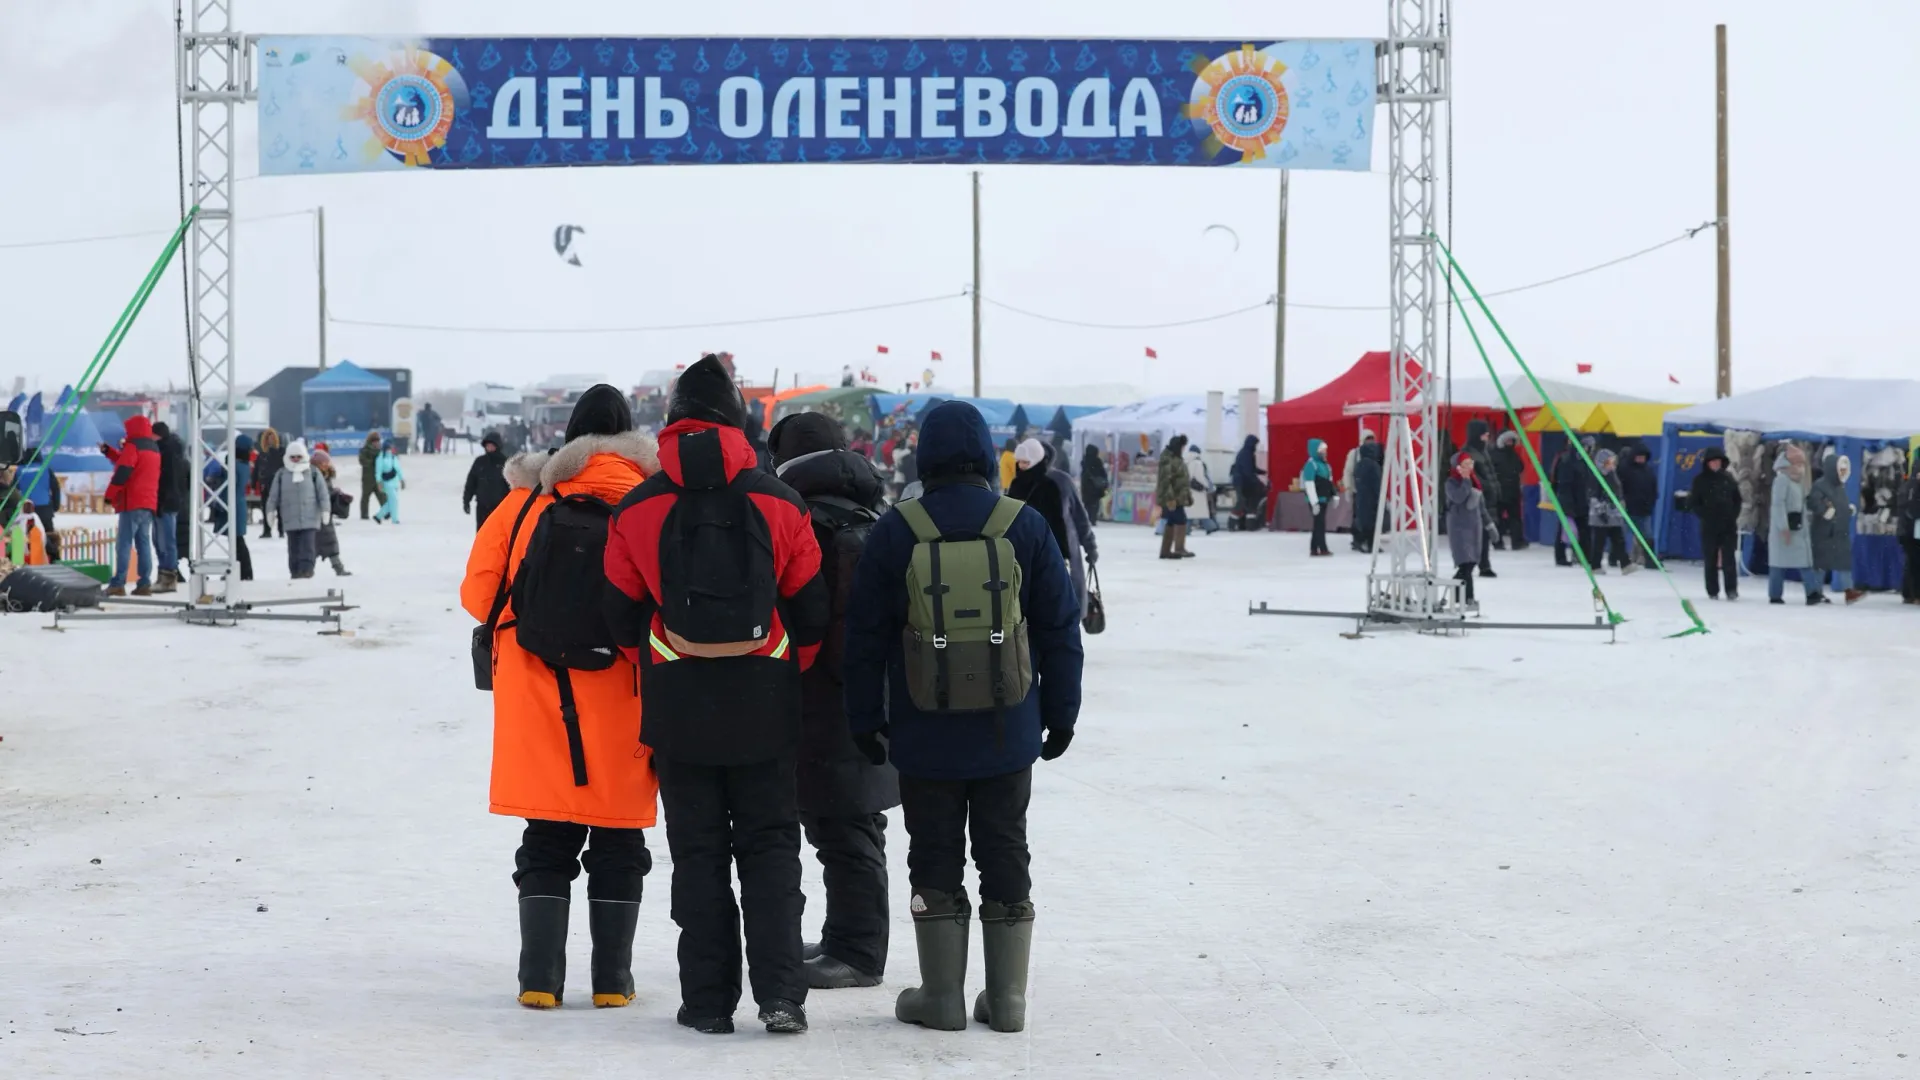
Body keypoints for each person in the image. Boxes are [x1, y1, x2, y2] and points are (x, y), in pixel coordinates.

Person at [600, 355, 829, 1036]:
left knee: (697, 855)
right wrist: (782, 665)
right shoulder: (781, 502)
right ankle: (782, 995)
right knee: (771, 850)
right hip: (765, 703)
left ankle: (706, 1002)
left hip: (678, 710)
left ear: (669, 424)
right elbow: (812, 613)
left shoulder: (638, 508)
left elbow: (619, 619)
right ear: (738, 422)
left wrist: (663, 660)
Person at [842, 400, 1084, 1035]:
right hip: (1009, 728)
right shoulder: (1024, 526)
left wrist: (865, 719)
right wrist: (1060, 714)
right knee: (1005, 846)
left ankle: (942, 996)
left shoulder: (898, 529)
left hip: (924, 733)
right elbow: (1060, 627)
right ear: (985, 456)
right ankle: (1007, 1001)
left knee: (935, 852)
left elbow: (863, 636)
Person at [461, 386, 660, 1011]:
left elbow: (477, 595)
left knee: (546, 834)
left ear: (568, 441)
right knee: (619, 838)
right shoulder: (650, 505)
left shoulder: (524, 504)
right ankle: (612, 982)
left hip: (540, 694)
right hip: (626, 696)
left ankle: (539, 980)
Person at [765, 412, 900, 992]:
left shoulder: (806, 520)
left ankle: (857, 951)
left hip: (823, 693)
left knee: (840, 823)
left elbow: (803, 614)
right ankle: (850, 936)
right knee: (855, 819)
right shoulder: (877, 513)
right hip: (880, 690)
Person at [1009, 439, 1098, 618]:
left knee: (1062, 610)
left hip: (1061, 557)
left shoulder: (1061, 482)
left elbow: (1079, 517)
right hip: (1030, 559)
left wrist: (1090, 546)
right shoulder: (1018, 484)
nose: (1022, 466)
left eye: (1027, 462)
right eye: (1020, 462)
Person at [101, 414, 162, 597]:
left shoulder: (132, 447)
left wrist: (109, 495)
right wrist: (109, 452)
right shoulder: (154, 449)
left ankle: (118, 583)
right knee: (143, 543)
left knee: (124, 544)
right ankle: (144, 584)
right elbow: (131, 464)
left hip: (131, 502)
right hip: (148, 502)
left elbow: (123, 472)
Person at [264, 439, 328, 579]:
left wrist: (325, 510)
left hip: (310, 517)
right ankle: (295, 570)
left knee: (308, 546)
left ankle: (307, 569)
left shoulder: (313, 472)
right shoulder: (281, 474)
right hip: (290, 518)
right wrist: (270, 511)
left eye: (298, 456)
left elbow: (322, 493)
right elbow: (273, 495)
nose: (296, 459)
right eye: (293, 457)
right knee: (293, 547)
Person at [1686, 447, 1742, 600]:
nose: (1716, 464)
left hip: (1728, 525)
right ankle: (1712, 590)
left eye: (1718, 461)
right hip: (1709, 525)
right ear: (1707, 463)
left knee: (1729, 558)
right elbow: (1693, 502)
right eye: (1713, 461)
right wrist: (1705, 515)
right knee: (1710, 558)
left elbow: (1737, 500)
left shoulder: (1729, 478)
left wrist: (1733, 515)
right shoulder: (1700, 480)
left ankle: (1731, 589)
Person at [1768, 445, 1821, 604]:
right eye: (1798, 463)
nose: (1801, 467)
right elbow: (1778, 505)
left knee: (1803, 562)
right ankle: (1776, 594)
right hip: (1785, 529)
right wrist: (1783, 528)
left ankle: (1812, 593)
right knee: (1779, 564)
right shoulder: (1782, 479)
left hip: (1798, 528)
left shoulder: (1797, 481)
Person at [1808, 447, 1860, 604]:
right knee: (1820, 563)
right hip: (1824, 532)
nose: (1843, 472)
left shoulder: (1839, 487)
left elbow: (1839, 504)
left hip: (1839, 532)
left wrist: (1847, 510)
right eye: (1841, 469)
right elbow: (1813, 501)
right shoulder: (1820, 485)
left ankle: (1849, 591)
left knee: (1844, 561)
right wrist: (1824, 511)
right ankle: (1815, 592)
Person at [148, 421, 189, 593]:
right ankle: (166, 574)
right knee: (161, 540)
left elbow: (168, 481)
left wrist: (163, 499)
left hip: (165, 501)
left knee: (164, 540)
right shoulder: (173, 452)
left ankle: (168, 576)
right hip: (168, 500)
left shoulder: (166, 453)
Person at [1445, 453, 1485, 604]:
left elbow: (1481, 504)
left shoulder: (1475, 481)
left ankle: (1459, 594)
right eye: (1465, 464)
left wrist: (1488, 523)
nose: (1469, 468)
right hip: (1459, 527)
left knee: (1472, 561)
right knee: (1465, 563)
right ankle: (1467, 597)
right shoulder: (1451, 482)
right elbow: (1459, 497)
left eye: (1470, 464)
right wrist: (1466, 481)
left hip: (1474, 526)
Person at [1587, 449, 1631, 573]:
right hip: (1600, 514)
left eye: (1612, 462)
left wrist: (1620, 503)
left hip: (1613, 514)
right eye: (1609, 462)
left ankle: (1625, 563)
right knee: (1599, 542)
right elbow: (1593, 495)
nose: (1612, 465)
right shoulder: (1596, 476)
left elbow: (1617, 491)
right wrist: (1600, 510)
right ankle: (1595, 566)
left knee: (1618, 539)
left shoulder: (1612, 474)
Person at [310, 448, 352, 577]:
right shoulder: (313, 477)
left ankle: (338, 567)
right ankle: (308, 569)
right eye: (324, 464)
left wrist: (339, 496)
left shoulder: (324, 477)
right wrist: (334, 493)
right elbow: (318, 495)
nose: (326, 467)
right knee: (312, 547)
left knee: (331, 544)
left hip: (325, 517)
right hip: (315, 517)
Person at [1549, 440, 1590, 567]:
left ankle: (1584, 556)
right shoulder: (1567, 461)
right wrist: (1566, 505)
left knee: (1582, 530)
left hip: (1580, 500)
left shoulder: (1582, 461)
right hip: (1570, 501)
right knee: (1566, 529)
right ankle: (1561, 557)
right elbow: (1563, 485)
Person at [1618, 443, 1659, 567]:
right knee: (1621, 536)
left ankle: (1651, 561)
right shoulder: (1624, 469)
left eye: (1643, 457)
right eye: (1639, 457)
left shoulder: (1648, 470)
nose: (1641, 459)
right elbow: (1618, 487)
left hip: (1644, 509)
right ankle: (1617, 558)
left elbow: (1653, 487)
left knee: (1647, 536)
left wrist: (1652, 500)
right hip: (1627, 509)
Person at [1155, 434, 1195, 559]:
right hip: (1172, 498)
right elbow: (1166, 480)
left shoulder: (1175, 458)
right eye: (1183, 447)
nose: (1184, 449)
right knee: (1180, 520)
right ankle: (1179, 548)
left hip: (1177, 496)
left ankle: (1166, 551)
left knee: (1172, 522)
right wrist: (1170, 498)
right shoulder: (1169, 459)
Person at [464, 431, 511, 530]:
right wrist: (466, 500)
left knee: (498, 534)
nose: (489, 448)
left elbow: (511, 486)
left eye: (492, 445)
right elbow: (471, 483)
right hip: (482, 506)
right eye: (487, 446)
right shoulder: (480, 462)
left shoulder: (505, 463)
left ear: (497, 446)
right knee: (482, 533)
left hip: (500, 507)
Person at [1491, 431, 1528, 552]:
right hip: (1500, 492)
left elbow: (1521, 467)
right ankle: (1497, 542)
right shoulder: (1494, 454)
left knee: (1515, 518)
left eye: (1512, 441)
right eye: (1508, 441)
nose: (1510, 443)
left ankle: (1517, 541)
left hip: (1513, 491)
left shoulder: (1514, 455)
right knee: (1499, 518)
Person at [1300, 438, 1335, 557]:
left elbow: (1329, 482)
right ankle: (1322, 548)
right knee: (1320, 523)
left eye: (1325, 450)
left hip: (1324, 498)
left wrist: (1334, 495)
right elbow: (1309, 484)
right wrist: (1314, 502)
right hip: (1316, 499)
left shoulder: (1326, 465)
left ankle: (1314, 548)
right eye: (1322, 450)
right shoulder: (1311, 465)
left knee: (1319, 523)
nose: (1324, 452)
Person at [1350, 439, 1383, 553]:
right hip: (1372, 498)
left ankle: (1362, 541)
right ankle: (1371, 544)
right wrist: (1381, 498)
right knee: (1373, 522)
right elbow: (1377, 484)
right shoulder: (1374, 465)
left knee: (1364, 521)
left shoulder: (1359, 465)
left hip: (1361, 497)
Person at [1228, 435, 1266, 532]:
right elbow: (1248, 472)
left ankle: (1249, 524)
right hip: (1241, 482)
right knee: (1242, 501)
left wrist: (1262, 472)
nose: (1256, 446)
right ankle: (1232, 524)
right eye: (1255, 444)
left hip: (1245, 482)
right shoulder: (1246, 454)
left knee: (1249, 502)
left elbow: (1252, 470)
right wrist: (1258, 482)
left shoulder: (1248, 453)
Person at [254, 429, 285, 539]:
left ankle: (281, 530)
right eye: (268, 438)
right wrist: (254, 483)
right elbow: (257, 469)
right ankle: (267, 530)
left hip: (278, 484)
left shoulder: (281, 452)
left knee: (280, 509)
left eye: (272, 438)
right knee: (266, 508)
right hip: (265, 484)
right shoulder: (262, 454)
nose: (270, 440)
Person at [1898, 456, 1920, 605]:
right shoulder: (1913, 488)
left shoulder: (1908, 486)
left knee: (1912, 563)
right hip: (1911, 530)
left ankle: (1909, 594)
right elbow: (1912, 510)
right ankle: (1915, 594)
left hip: (1908, 530)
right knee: (1915, 563)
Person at [372, 440, 404, 523]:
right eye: (389, 448)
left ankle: (378, 516)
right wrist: (378, 482)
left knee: (391, 501)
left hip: (395, 482)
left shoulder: (394, 457)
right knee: (395, 500)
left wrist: (402, 480)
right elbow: (378, 472)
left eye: (391, 448)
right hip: (386, 483)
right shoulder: (380, 458)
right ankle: (395, 519)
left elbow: (398, 469)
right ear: (385, 449)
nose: (390, 449)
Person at [1340, 430, 1376, 500]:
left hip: (1373, 492)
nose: (1370, 442)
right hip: (1358, 492)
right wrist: (1348, 488)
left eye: (1372, 439)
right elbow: (1348, 472)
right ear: (1362, 440)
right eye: (1367, 439)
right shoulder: (1354, 453)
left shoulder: (1377, 453)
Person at [358, 431, 386, 519]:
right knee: (365, 497)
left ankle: (386, 512)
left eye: (378, 441)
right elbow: (362, 461)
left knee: (382, 496)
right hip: (368, 478)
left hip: (378, 478)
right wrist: (373, 462)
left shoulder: (381, 451)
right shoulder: (365, 450)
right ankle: (364, 514)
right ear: (372, 442)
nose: (378, 443)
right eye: (376, 441)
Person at [1079, 444, 1110, 522]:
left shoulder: (1084, 461)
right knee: (1095, 504)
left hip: (1086, 486)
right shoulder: (1097, 461)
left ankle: (1087, 519)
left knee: (1087, 504)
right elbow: (1102, 473)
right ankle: (1093, 519)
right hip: (1095, 487)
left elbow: (1083, 474)